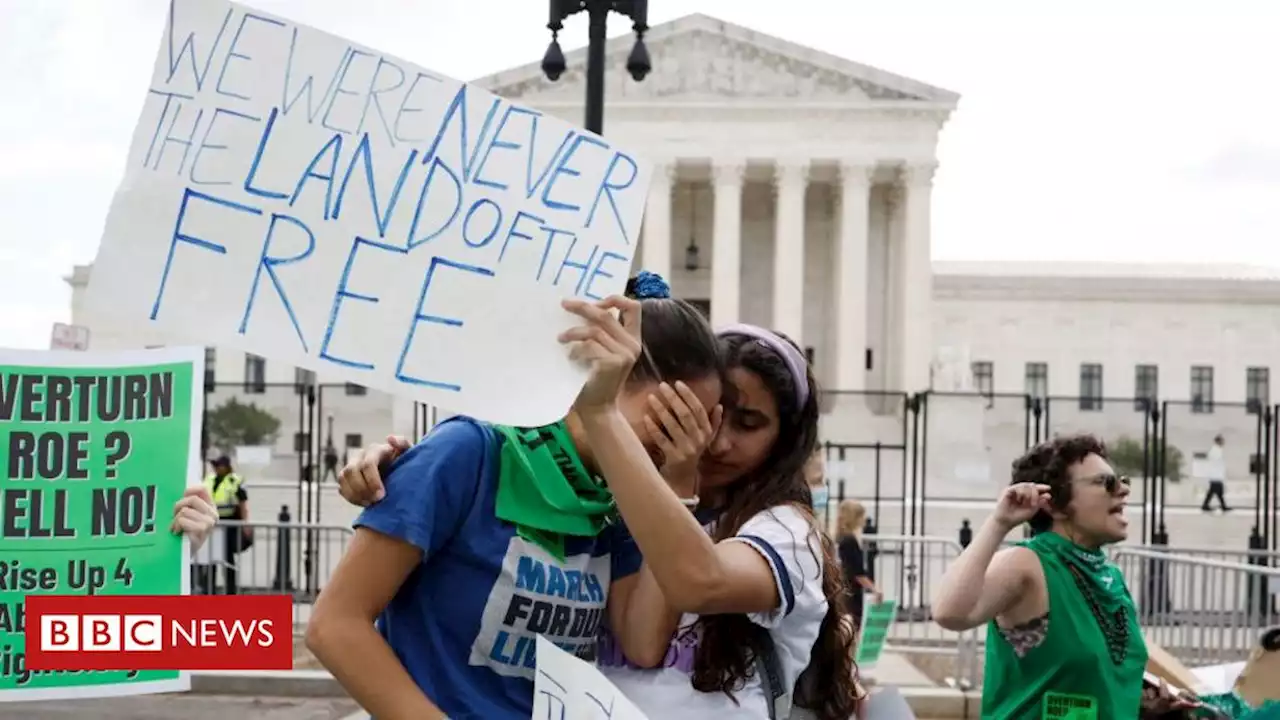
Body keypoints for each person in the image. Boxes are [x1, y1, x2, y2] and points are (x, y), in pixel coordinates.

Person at [339, 321, 863, 720]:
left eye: (744, 425)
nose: (714, 441)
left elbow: (690, 588)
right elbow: (340, 621)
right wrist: (404, 470)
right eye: (696, 417)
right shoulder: (605, 495)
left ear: (784, 440)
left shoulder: (782, 530)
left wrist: (672, 477)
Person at [306, 272, 725, 720]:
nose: (685, 441)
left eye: (701, 428)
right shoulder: (468, 452)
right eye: (673, 418)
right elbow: (335, 624)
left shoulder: (618, 504)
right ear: (608, 377)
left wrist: (679, 479)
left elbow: (642, 642)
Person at [931, 434, 1200, 719]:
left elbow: (1089, 682)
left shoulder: (1109, 576)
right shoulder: (1030, 564)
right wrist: (999, 522)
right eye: (1104, 482)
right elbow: (950, 613)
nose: (1122, 490)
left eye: (1121, 480)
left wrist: (1142, 707)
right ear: (1055, 504)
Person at [198, 455, 251, 594]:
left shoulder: (234, 480)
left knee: (227, 560)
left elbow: (243, 503)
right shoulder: (209, 479)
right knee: (209, 559)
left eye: (218, 466)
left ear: (226, 467)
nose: (216, 468)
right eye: (214, 465)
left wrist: (245, 524)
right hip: (211, 524)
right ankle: (208, 590)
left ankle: (230, 592)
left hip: (229, 524)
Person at [835, 499, 880, 625]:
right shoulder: (850, 541)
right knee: (854, 625)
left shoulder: (841, 538)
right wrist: (874, 589)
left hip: (844, 590)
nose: (864, 519)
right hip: (852, 592)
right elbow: (857, 571)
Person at [1201, 434, 1230, 512]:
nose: (1223, 442)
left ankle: (1206, 505)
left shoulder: (1216, 450)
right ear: (1218, 441)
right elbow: (1216, 462)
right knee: (1218, 490)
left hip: (1216, 474)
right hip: (1215, 474)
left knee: (1214, 491)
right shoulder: (1215, 450)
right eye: (1222, 441)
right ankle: (1222, 506)